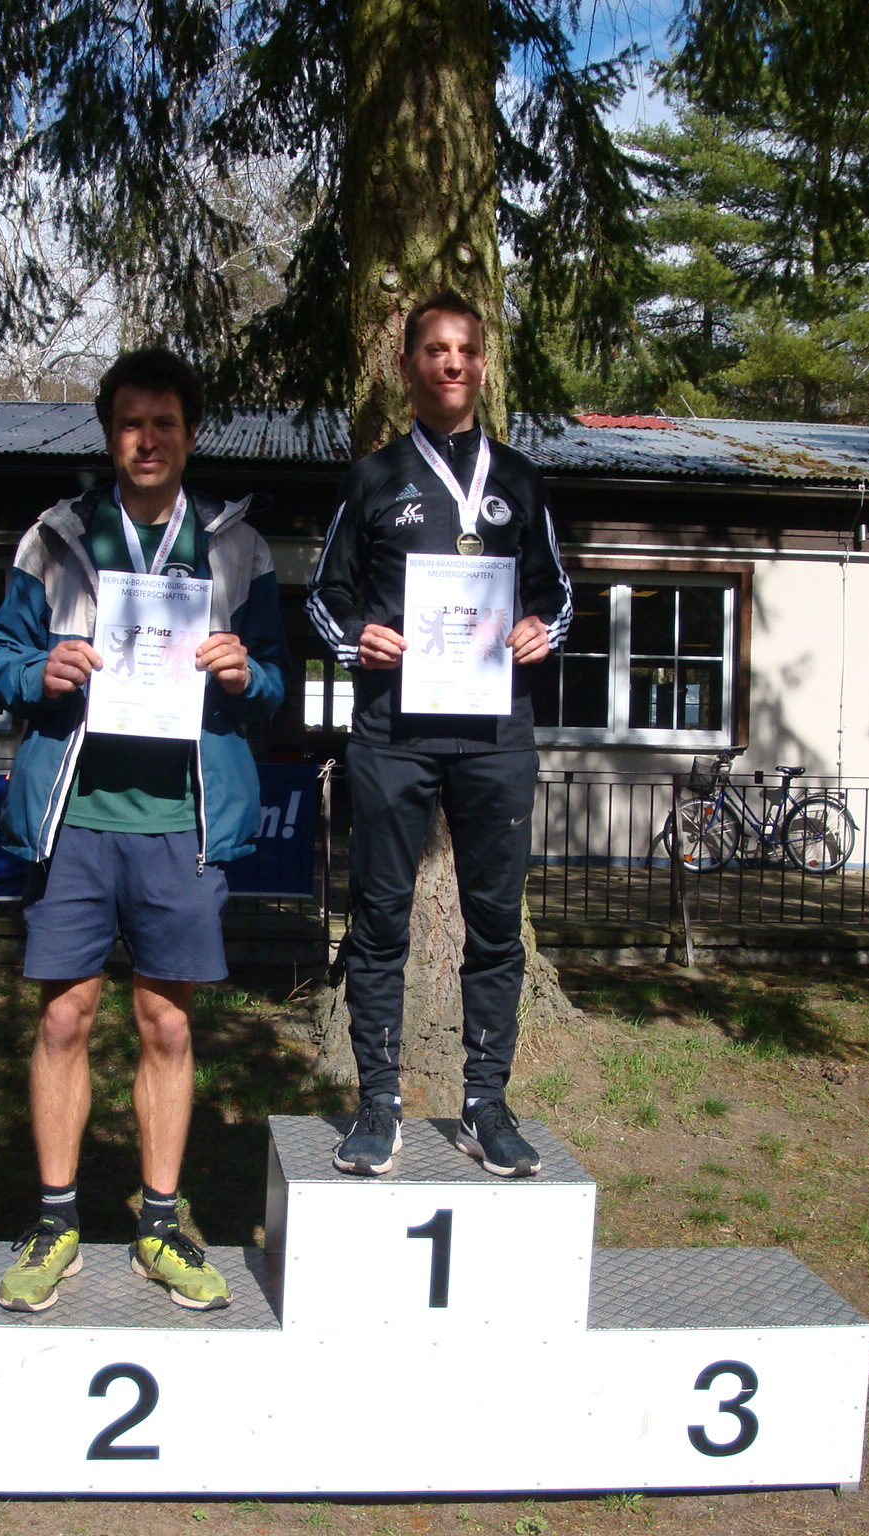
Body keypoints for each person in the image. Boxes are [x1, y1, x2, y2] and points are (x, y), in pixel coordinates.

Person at [0, 347, 289, 1314]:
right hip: (74, 818)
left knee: (166, 1022)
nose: (146, 440)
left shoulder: (237, 546)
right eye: (129, 424)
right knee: (63, 1017)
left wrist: (245, 673)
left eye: (164, 424)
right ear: (108, 434)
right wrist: (39, 672)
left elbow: (278, 683)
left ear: (189, 436)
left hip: (178, 823)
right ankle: (56, 1221)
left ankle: (159, 1222)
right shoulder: (57, 535)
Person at [307, 289, 573, 1179]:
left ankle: (485, 1106)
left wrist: (540, 629)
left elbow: (559, 595)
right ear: (407, 366)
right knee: (379, 917)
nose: (450, 363)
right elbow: (325, 594)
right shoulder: (373, 478)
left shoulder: (521, 481)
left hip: (497, 733)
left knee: (494, 923)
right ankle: (377, 1105)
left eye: (465, 349)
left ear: (483, 366)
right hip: (394, 733)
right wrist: (359, 638)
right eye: (434, 350)